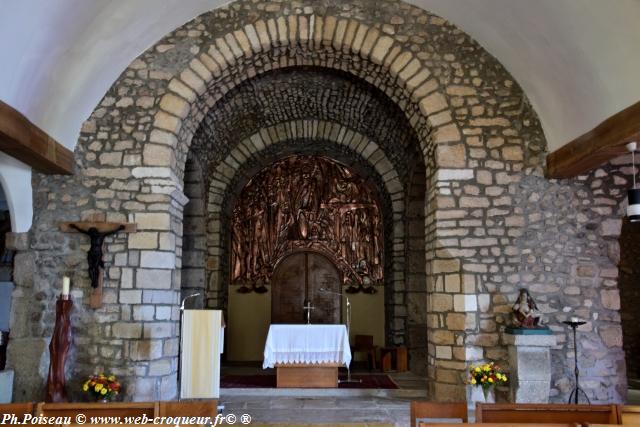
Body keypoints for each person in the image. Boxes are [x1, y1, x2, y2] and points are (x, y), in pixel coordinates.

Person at [70, 224, 125, 288]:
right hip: (91, 253)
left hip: (98, 254)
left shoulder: (101, 235)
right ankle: (93, 280)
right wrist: (75, 227)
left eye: (92, 233)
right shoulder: (91, 235)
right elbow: (82, 231)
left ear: (95, 232)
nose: (92, 234)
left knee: (95, 267)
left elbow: (111, 232)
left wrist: (119, 228)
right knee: (90, 268)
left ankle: (95, 281)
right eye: (91, 233)